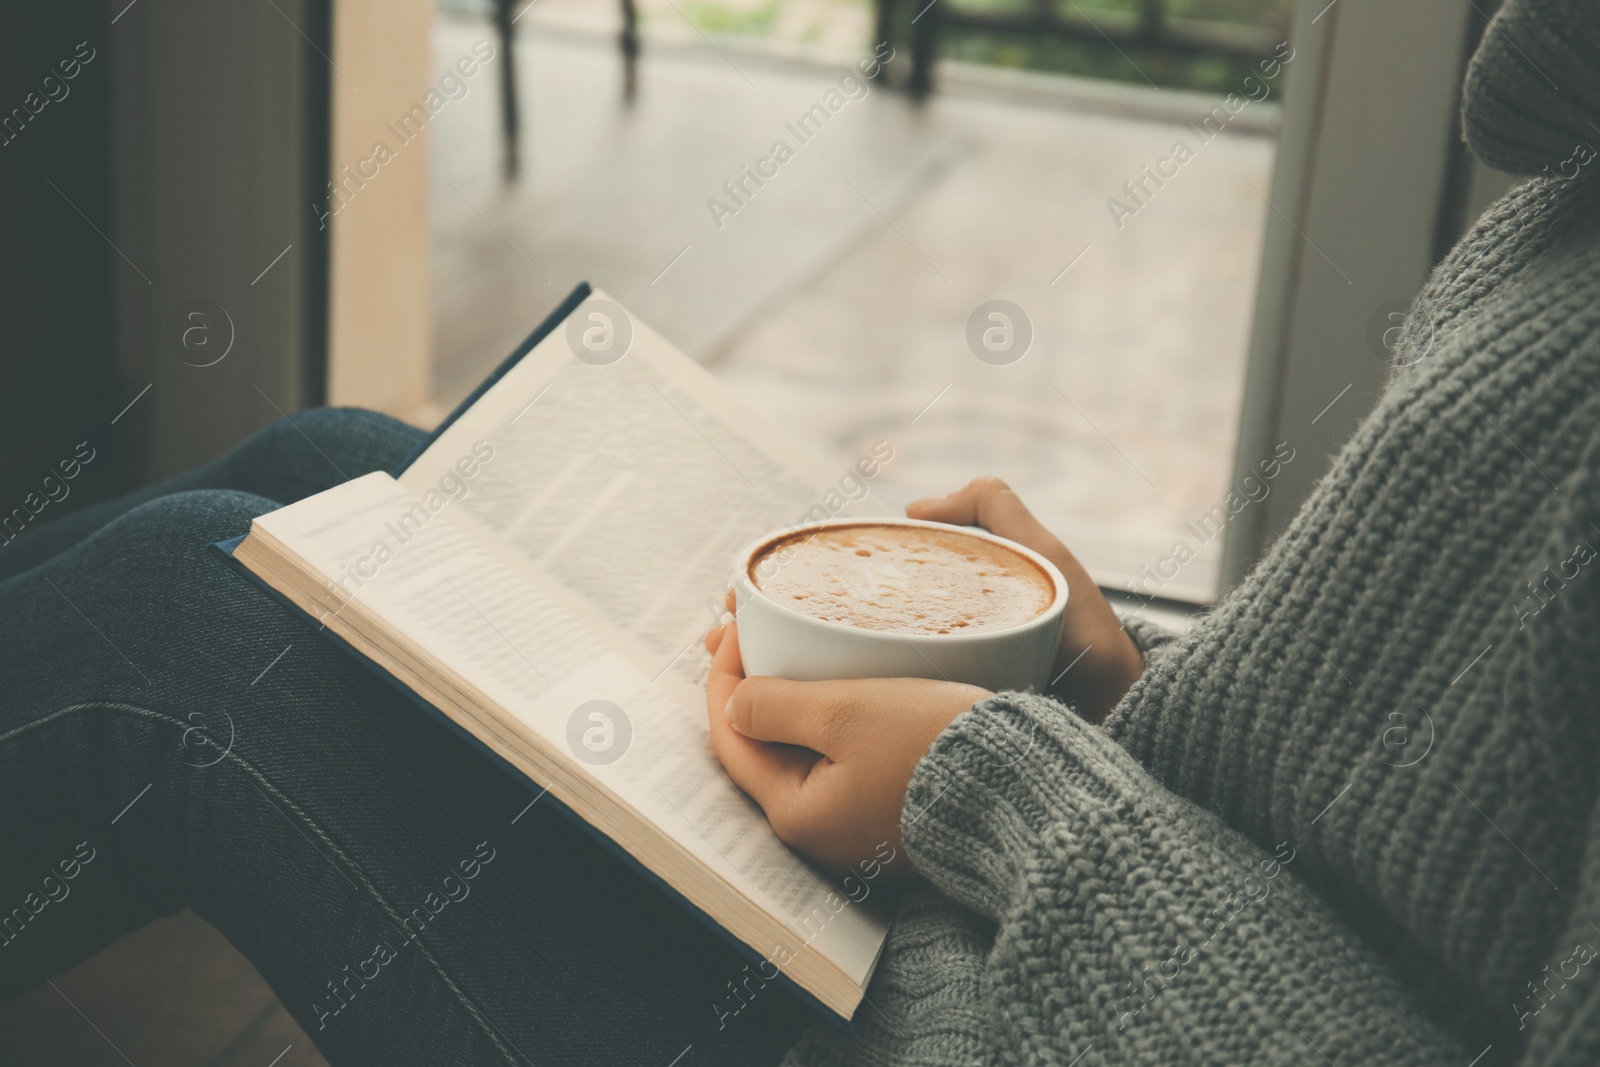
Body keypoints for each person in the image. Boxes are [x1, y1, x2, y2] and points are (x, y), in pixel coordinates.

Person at [2, 0, 1596, 1064]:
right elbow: (1438, 816)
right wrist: (1131, 708)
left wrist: (1004, 787)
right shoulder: (1570, 189)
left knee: (177, 615)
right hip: (1048, 954)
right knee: (337, 471)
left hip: (965, 1015)